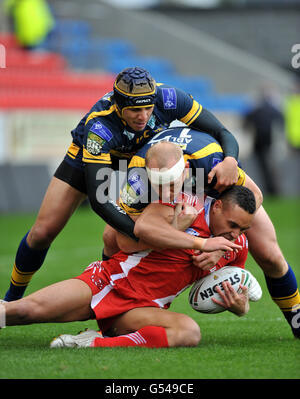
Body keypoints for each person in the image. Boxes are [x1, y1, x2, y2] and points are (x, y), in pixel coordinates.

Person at [4, 66, 241, 302]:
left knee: (111, 238)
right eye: (135, 110)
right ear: (118, 105)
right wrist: (140, 235)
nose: (144, 116)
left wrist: (230, 159)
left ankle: (109, 297)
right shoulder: (100, 127)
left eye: (148, 108)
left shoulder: (169, 98)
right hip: (93, 160)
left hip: (142, 161)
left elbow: (221, 131)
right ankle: (11, 299)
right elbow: (99, 201)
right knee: (42, 232)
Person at [0, 185, 258, 349]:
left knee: (189, 332)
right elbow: (120, 239)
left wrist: (240, 307)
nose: (235, 234)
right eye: (232, 225)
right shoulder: (183, 204)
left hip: (144, 309)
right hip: (110, 282)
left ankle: (94, 342)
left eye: (243, 229)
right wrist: (197, 241)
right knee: (23, 311)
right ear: (218, 206)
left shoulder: (236, 246)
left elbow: (238, 286)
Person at [116, 135, 300, 338]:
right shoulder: (137, 174)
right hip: (185, 201)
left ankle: (297, 319)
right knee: (111, 237)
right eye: (158, 185)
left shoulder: (209, 164)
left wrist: (220, 247)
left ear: (185, 170)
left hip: (226, 202)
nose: (165, 193)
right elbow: (120, 238)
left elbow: (256, 194)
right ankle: (115, 306)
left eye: (170, 184)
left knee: (270, 256)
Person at [243, 86, 284, 195]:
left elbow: (246, 121)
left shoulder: (257, 109)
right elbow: (281, 120)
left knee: (265, 168)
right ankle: (272, 189)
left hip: (260, 143)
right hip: (267, 142)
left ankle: (270, 189)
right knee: (268, 167)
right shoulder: (271, 109)